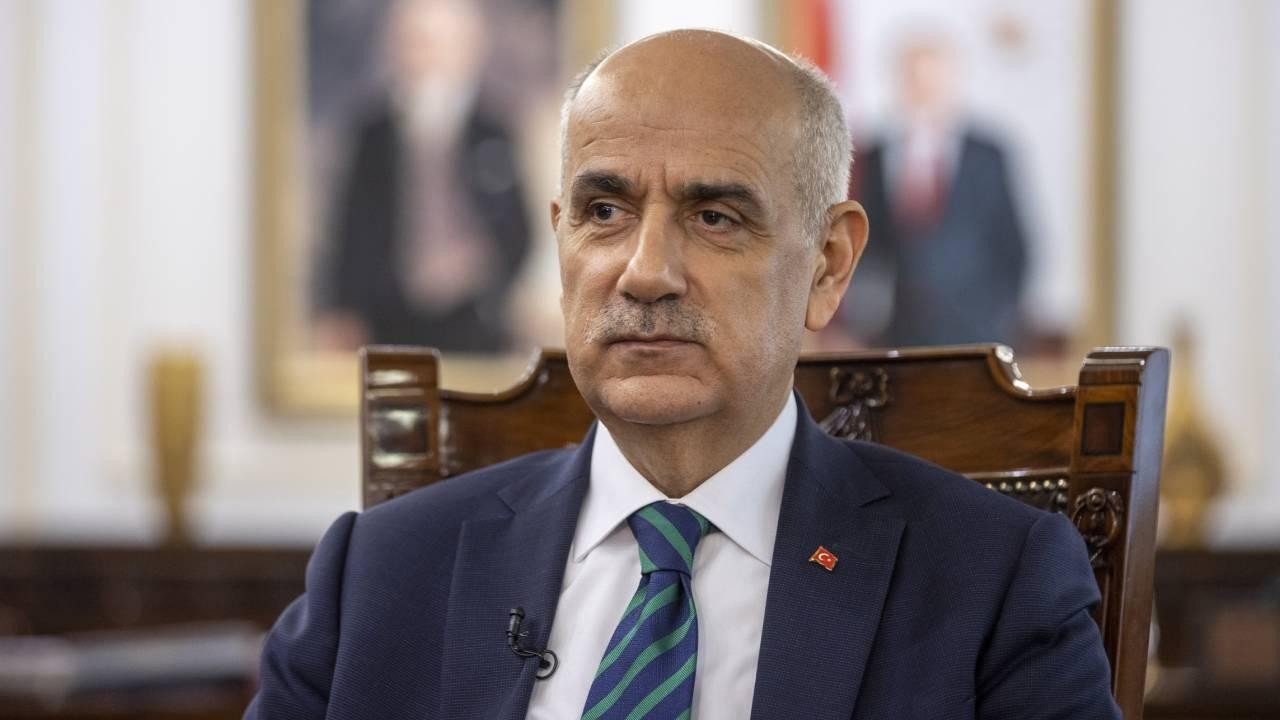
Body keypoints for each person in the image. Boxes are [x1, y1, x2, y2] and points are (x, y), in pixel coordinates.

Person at [247, 29, 1118, 719]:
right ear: (560, 241)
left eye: (713, 216)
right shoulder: (379, 573)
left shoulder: (993, 583)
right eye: (604, 210)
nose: (645, 272)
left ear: (828, 265)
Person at [312, 0, 531, 352]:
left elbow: (517, 225)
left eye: (439, 44)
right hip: (387, 311)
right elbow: (351, 226)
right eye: (416, 43)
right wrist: (343, 306)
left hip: (472, 314)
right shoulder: (372, 134)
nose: (428, 58)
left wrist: (494, 284)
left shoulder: (492, 131)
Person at [846, 32, 1028, 347]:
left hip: (976, 332)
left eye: (932, 80)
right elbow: (865, 243)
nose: (924, 91)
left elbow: (1014, 245)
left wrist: (999, 314)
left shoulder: (987, 155)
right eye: (915, 80)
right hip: (898, 332)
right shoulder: (872, 156)